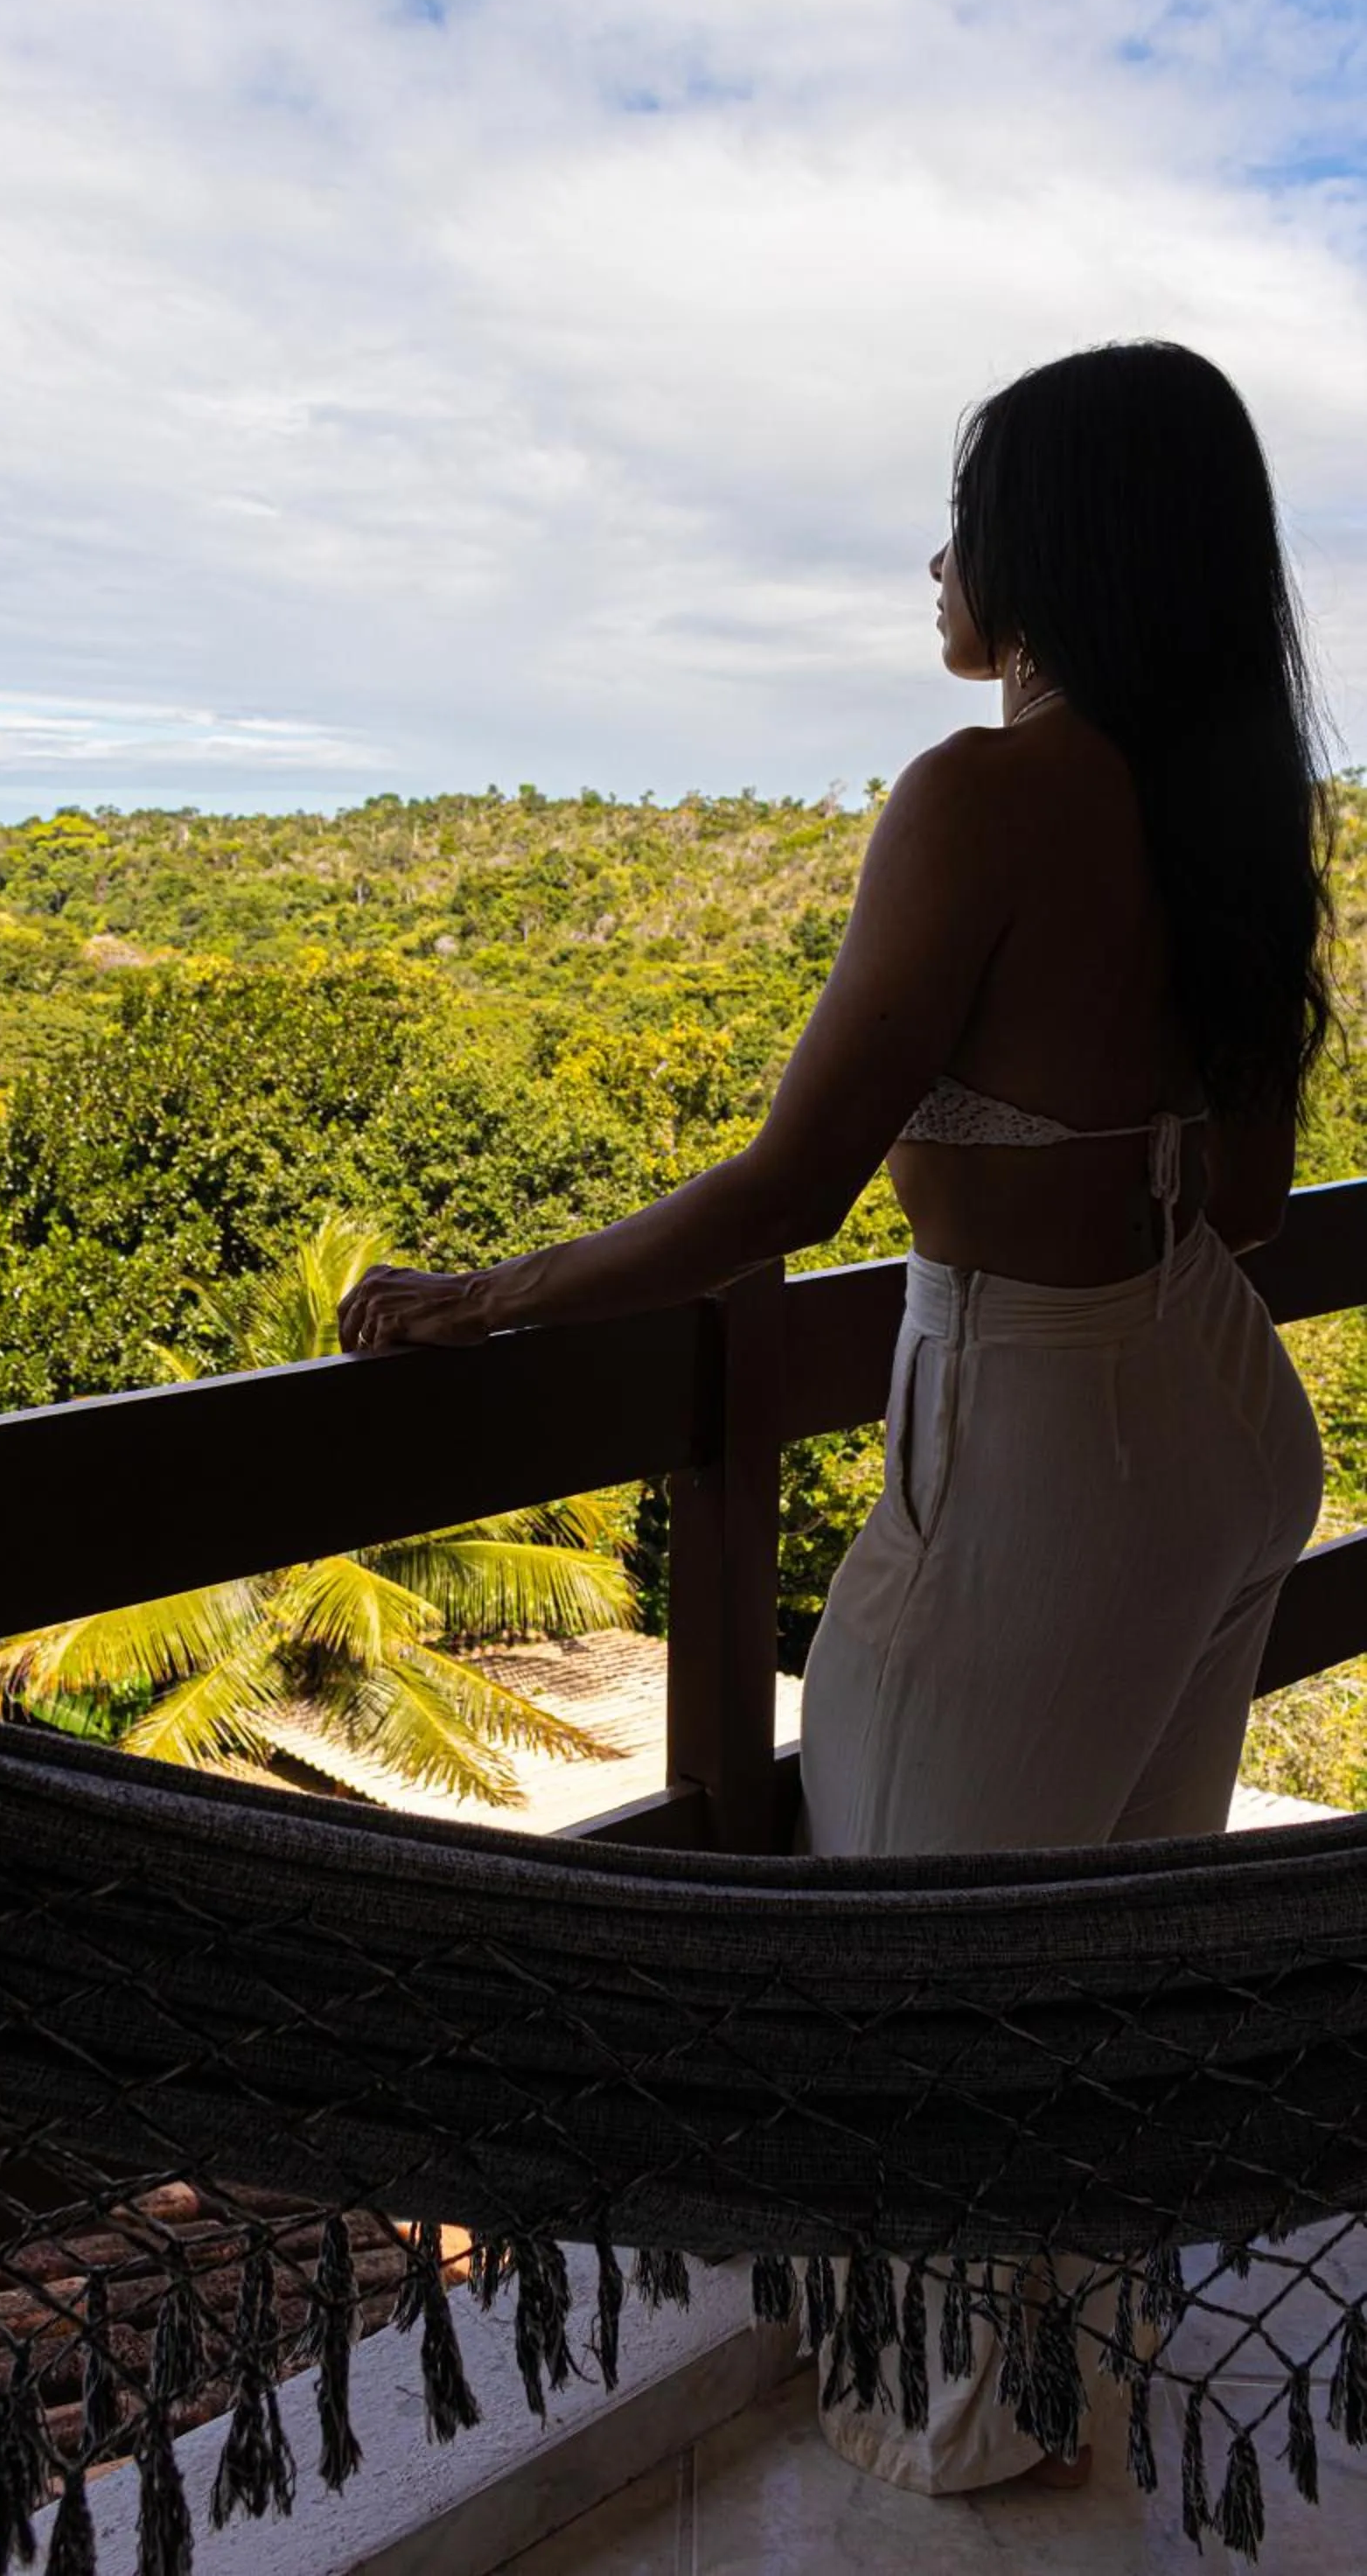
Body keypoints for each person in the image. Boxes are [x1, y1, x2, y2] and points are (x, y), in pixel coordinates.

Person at [336, 340, 1333, 2495]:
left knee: (917, 1982)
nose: (933, 564)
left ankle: (943, 2462)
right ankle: (1072, 2366)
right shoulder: (1234, 804)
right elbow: (1244, 1199)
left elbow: (784, 1188)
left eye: (965, 515)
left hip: (1043, 1435)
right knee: (1109, 1954)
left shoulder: (980, 794)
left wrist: (485, 1298)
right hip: (1225, 1425)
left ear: (1052, 548)